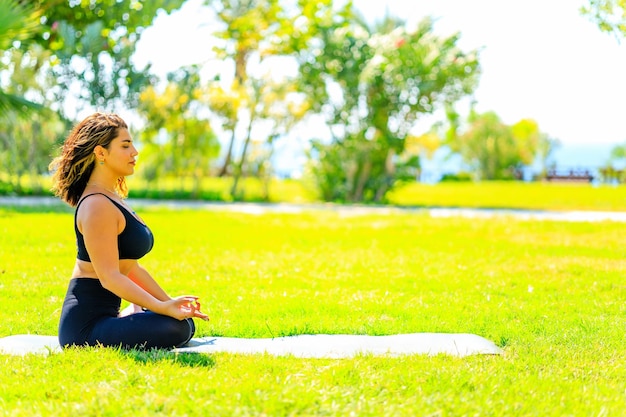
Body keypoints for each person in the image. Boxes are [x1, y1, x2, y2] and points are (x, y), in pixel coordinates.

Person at [49, 112, 208, 350]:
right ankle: (136, 311)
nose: (135, 152)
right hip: (84, 328)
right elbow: (110, 277)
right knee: (177, 328)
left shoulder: (111, 197)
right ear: (101, 153)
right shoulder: (96, 205)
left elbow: (130, 267)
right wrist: (161, 308)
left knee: (182, 322)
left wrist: (169, 303)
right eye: (125, 145)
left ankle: (136, 310)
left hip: (105, 318)